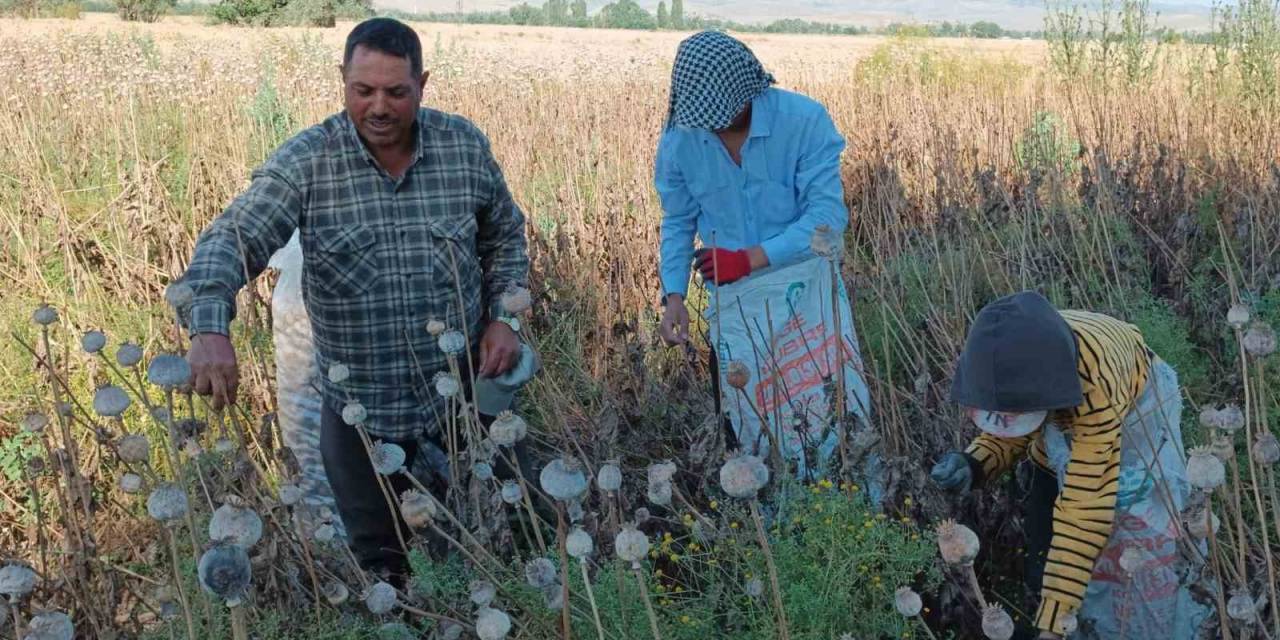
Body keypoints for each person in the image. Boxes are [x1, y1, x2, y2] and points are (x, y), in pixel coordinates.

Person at [175, 17, 530, 583]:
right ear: (342, 80)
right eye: (363, 91)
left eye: (397, 91)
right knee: (383, 571)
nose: (379, 107)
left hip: (464, 398)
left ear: (423, 84)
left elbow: (505, 235)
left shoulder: (462, 148)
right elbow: (230, 239)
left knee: (500, 542)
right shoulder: (309, 163)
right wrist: (210, 327)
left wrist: (505, 318)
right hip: (360, 416)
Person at [654, 30, 873, 482]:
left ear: (748, 92)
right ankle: (766, 525)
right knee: (747, 429)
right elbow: (677, 221)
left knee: (830, 417)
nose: (713, 128)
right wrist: (673, 295)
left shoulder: (804, 121)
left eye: (722, 117)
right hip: (735, 309)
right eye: (704, 121)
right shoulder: (681, 140)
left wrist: (751, 258)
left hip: (808, 298)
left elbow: (827, 217)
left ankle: (841, 503)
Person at [930, 291, 1207, 640]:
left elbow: (1083, 511)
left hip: (1137, 409)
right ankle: (1059, 602)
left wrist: (1054, 625)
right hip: (1061, 393)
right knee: (1045, 545)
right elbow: (1014, 418)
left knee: (1137, 536)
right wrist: (975, 462)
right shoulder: (1009, 353)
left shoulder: (1096, 387)